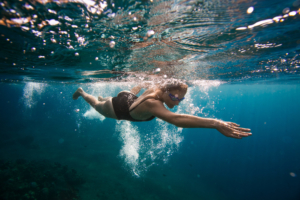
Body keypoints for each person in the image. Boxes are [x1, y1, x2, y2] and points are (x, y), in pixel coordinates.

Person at [72, 80, 251, 139]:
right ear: (165, 92)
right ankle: (82, 92)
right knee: (96, 104)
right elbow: (176, 119)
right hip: (118, 108)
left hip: (129, 96)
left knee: (121, 95)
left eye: (181, 99)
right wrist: (216, 123)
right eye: (174, 97)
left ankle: (106, 97)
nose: (177, 102)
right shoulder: (153, 103)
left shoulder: (159, 88)